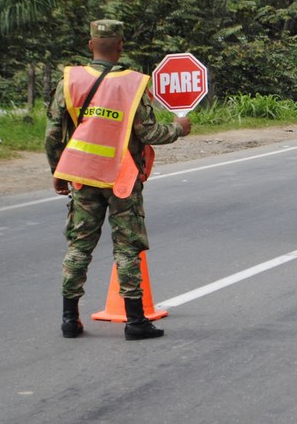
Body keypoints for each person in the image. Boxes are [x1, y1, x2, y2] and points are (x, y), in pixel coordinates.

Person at [45, 19, 192, 341]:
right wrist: (179, 128)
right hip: (121, 177)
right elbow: (150, 132)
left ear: (90, 45)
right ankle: (135, 322)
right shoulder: (134, 84)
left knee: (79, 246)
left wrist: (59, 172)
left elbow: (53, 134)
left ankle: (70, 319)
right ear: (121, 45)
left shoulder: (70, 80)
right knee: (126, 248)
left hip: (82, 175)